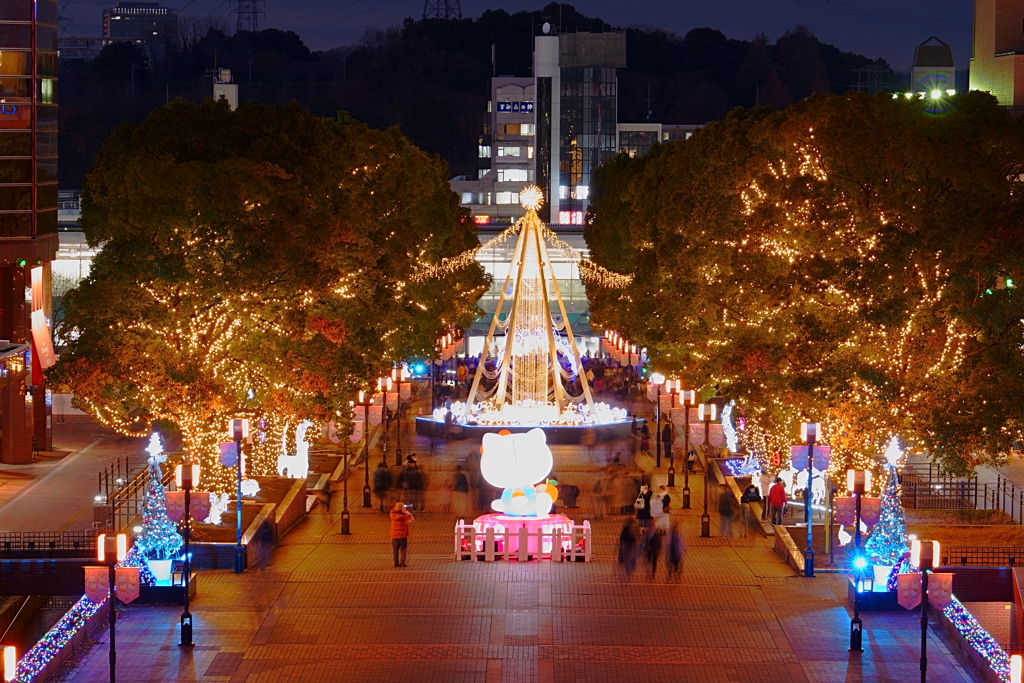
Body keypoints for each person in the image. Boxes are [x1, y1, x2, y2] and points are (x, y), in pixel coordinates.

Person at [389, 501, 413, 567]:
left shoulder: (392, 514)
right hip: (402, 535)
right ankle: (402, 563)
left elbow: (393, 510)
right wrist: (405, 510)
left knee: (395, 550)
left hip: (394, 535)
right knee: (403, 550)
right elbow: (410, 517)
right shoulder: (404, 516)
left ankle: (395, 563)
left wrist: (399, 508)